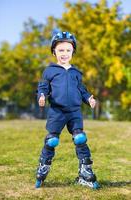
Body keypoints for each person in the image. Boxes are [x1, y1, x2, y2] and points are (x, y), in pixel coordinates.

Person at [35, 31, 99, 189]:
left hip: (74, 112)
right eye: (61, 50)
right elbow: (42, 87)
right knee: (52, 140)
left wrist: (88, 98)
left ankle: (85, 171)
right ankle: (43, 166)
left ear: (73, 52)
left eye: (68, 50)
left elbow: (82, 89)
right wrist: (41, 96)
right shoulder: (49, 71)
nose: (65, 53)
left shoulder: (76, 72)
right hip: (57, 112)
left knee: (80, 139)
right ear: (53, 51)